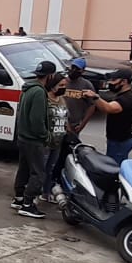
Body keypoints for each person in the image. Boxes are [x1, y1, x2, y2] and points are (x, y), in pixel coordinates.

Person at [12, 60, 56, 218]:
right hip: (33, 139)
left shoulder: (28, 88)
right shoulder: (38, 92)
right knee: (38, 173)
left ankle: (19, 198)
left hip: (23, 137)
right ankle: (28, 204)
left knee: (23, 169)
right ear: (50, 76)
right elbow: (37, 120)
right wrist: (46, 136)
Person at [84, 68, 132, 165]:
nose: (111, 82)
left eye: (114, 80)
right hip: (118, 139)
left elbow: (109, 108)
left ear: (124, 82)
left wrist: (95, 97)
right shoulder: (123, 95)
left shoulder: (126, 98)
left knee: (113, 167)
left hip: (120, 141)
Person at [42, 73, 70, 203]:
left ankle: (46, 193)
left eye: (65, 85)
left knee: (51, 169)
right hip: (46, 142)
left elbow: (65, 117)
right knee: (41, 168)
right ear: (53, 86)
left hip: (58, 141)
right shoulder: (45, 99)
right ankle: (34, 193)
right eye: (61, 85)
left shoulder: (62, 99)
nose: (64, 88)